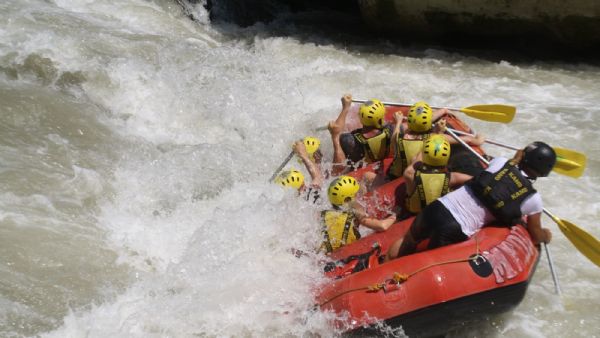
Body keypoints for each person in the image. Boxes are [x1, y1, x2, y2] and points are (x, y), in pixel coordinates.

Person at [386, 141, 556, 261]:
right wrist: (546, 236)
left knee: (408, 242)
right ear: (543, 172)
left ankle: (384, 267)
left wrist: (515, 159)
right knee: (420, 263)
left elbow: (503, 176)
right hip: (456, 227)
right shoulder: (533, 199)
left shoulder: (500, 162)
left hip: (437, 208)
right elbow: (535, 235)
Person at [321, 175, 396, 253]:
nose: (361, 195)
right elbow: (382, 226)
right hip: (342, 253)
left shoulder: (328, 212)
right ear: (349, 198)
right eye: (357, 193)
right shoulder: (356, 211)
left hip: (326, 252)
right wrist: (395, 215)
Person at [403, 135, 473, 214]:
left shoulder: (409, 174)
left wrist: (426, 145)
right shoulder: (453, 177)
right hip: (437, 213)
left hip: (412, 211)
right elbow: (476, 179)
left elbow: (417, 161)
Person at [328, 94, 394, 176]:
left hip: (360, 171)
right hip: (385, 164)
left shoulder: (349, 141)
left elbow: (337, 169)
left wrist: (345, 108)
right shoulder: (393, 130)